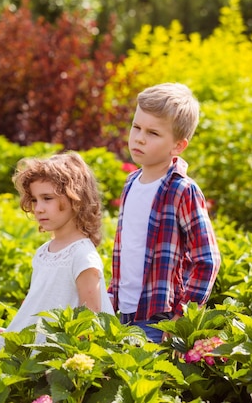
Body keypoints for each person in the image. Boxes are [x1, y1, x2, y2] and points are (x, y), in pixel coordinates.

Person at [108, 82, 221, 343]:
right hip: (122, 314)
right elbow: (127, 252)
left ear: (178, 146)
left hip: (159, 318)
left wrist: (181, 317)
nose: (139, 138)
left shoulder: (182, 190)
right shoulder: (131, 183)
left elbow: (207, 259)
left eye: (153, 133)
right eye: (136, 127)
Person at [0, 152, 114, 352]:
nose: (38, 208)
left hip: (63, 359)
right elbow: (40, 306)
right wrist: (14, 333)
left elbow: (91, 322)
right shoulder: (43, 253)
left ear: (76, 199)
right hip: (40, 355)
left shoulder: (82, 256)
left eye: (47, 198)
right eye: (35, 200)